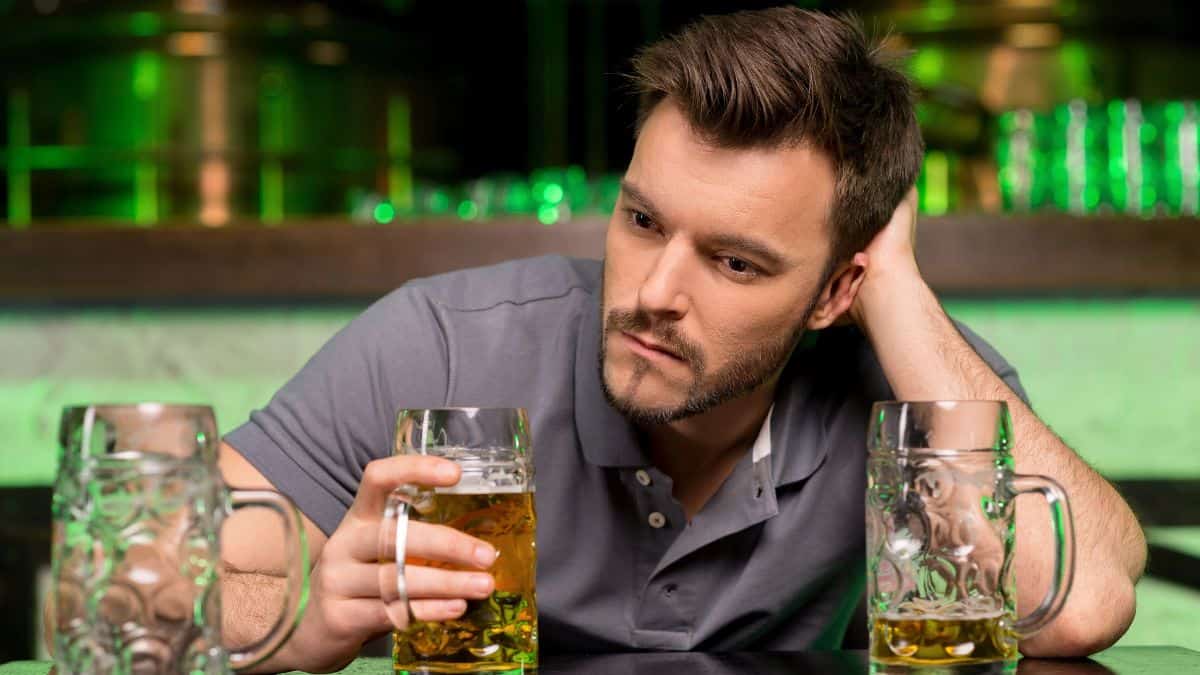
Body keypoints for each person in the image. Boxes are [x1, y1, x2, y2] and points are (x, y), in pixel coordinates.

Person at [217, 8, 1145, 673]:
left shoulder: (913, 382)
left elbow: (1087, 606)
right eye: (644, 221)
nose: (655, 294)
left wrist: (895, 289)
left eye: (735, 263)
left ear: (834, 290)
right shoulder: (444, 347)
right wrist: (299, 611)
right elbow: (158, 570)